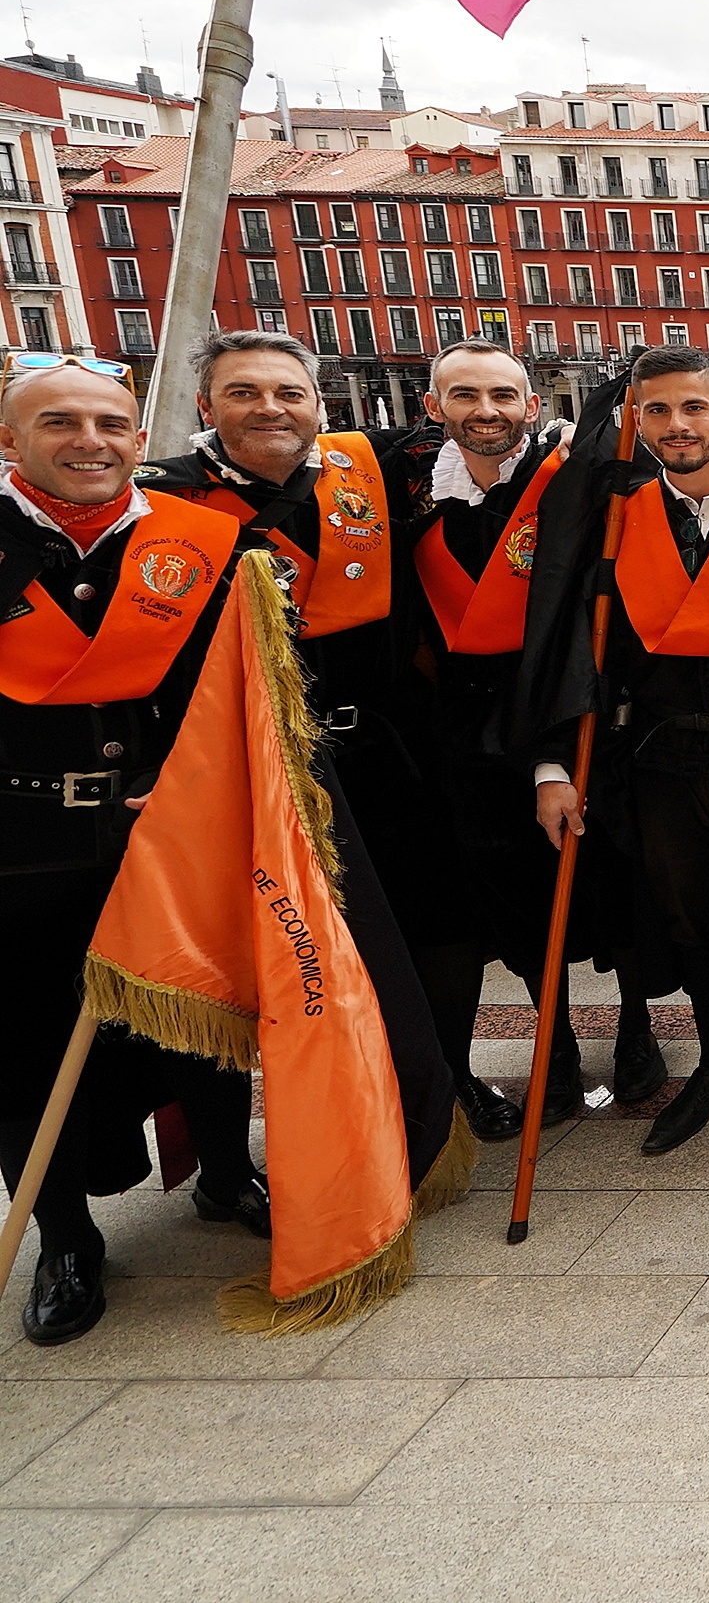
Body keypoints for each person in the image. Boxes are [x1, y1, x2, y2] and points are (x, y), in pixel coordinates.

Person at [139, 334, 480, 1116]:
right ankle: (272, 1138)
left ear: (318, 403)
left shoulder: (376, 467)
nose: (270, 408)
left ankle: (448, 1082)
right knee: (266, 946)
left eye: (288, 392)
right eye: (244, 392)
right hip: (253, 765)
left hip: (388, 752)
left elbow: (492, 438)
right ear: (206, 405)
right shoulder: (161, 500)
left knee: (441, 922)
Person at [0, 360, 268, 1344]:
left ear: (136, 435)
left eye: (110, 423)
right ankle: (66, 1239)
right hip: (19, 842)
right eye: (59, 422)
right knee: (22, 1049)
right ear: (9, 441)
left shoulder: (199, 542)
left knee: (197, 1012)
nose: (90, 441)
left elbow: (235, 685)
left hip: (163, 827)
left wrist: (190, 778)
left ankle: (228, 1175)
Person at [527, 346, 709, 1156]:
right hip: (663, 759)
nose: (676, 425)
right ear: (635, 420)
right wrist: (555, 764)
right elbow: (579, 648)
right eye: (656, 410)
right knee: (693, 921)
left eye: (693, 407)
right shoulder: (617, 518)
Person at [397, 340, 588, 1139]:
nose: (487, 410)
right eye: (465, 394)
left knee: (563, 898)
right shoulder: (399, 486)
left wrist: (550, 754)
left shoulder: (569, 479)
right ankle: (491, 1062)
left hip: (550, 716)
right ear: (432, 407)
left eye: (504, 395)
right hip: (442, 739)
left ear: (532, 406)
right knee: (465, 910)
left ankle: (579, 1048)